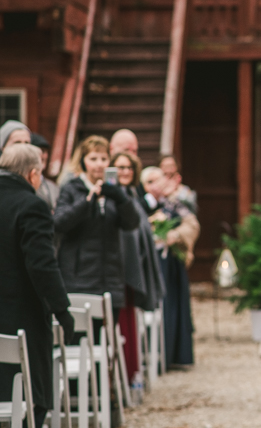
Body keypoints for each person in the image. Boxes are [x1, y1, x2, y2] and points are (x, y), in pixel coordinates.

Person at [0, 144, 74, 428]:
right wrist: (62, 310)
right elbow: (42, 265)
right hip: (21, 314)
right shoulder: (31, 205)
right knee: (30, 395)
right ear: (33, 175)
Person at [54, 135, 140, 313]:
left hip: (111, 280)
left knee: (109, 337)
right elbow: (60, 223)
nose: (99, 164)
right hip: (78, 279)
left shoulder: (115, 192)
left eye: (103, 159)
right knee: (79, 338)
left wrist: (120, 197)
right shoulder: (72, 188)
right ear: (83, 162)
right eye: (93, 159)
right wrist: (87, 201)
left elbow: (131, 224)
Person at [112, 152, 166, 383]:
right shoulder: (115, 197)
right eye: (119, 167)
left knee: (130, 326)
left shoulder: (132, 196)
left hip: (134, 267)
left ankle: (131, 375)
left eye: (128, 168)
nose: (124, 172)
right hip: (117, 271)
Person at [142, 166, 199, 368]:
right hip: (149, 263)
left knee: (173, 306)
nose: (155, 185)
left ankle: (175, 354)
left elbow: (191, 223)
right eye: (149, 182)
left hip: (170, 263)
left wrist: (177, 235)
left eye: (158, 180)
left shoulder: (173, 203)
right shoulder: (142, 205)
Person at [30, 133, 60, 212]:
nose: (44, 156)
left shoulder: (52, 186)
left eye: (46, 152)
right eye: (40, 151)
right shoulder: (25, 184)